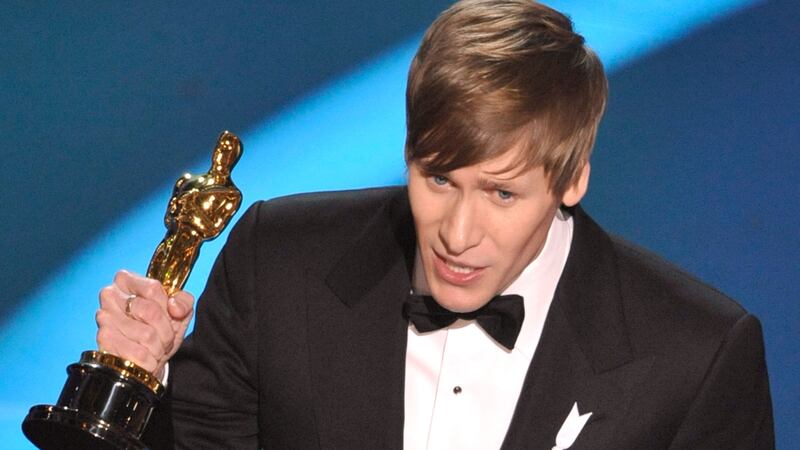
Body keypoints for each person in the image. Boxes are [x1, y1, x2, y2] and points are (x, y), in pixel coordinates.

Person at [96, 1, 774, 448]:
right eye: (439, 179)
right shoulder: (280, 263)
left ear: (572, 180)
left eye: (502, 195)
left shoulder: (696, 355)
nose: (458, 232)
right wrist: (129, 382)